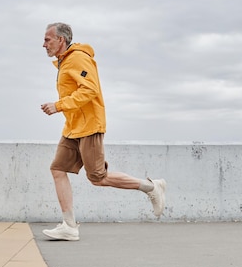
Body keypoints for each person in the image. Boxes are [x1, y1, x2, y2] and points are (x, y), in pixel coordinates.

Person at [40, 22, 167, 241]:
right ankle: (69, 226)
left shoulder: (78, 58)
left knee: (98, 178)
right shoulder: (65, 61)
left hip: (89, 126)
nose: (44, 44)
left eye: (48, 39)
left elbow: (90, 90)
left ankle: (150, 187)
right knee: (58, 169)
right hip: (72, 128)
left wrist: (58, 105)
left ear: (61, 40)